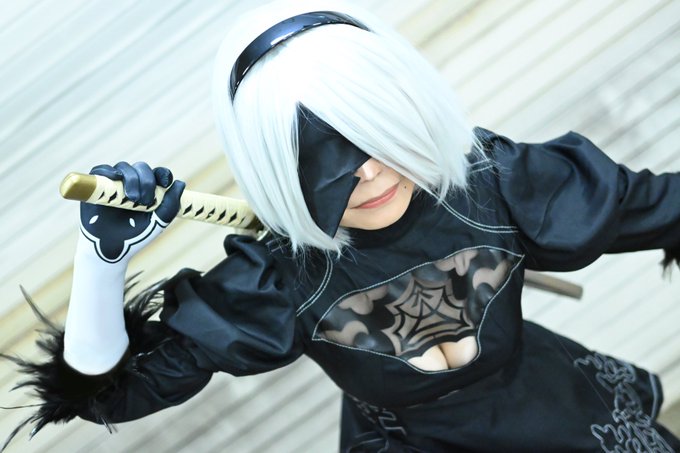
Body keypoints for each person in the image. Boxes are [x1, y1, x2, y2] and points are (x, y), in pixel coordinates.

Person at [4, 0, 680, 451]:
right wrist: (101, 263)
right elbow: (109, 394)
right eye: (329, 159)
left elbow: (659, 205)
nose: (371, 172)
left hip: (567, 416)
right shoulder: (283, 280)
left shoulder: (489, 186)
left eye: (380, 135)